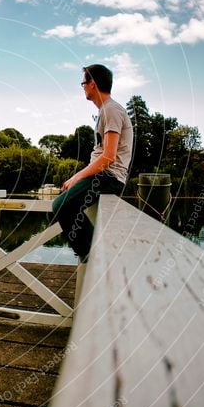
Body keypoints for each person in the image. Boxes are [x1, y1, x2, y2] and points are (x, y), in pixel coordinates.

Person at [51, 64, 133, 262]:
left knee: (61, 205)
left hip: (109, 177)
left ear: (93, 84)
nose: (83, 87)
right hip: (102, 176)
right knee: (64, 206)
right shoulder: (106, 111)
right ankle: (92, 251)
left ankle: (95, 255)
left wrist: (77, 176)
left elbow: (108, 157)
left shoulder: (111, 110)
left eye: (83, 82)